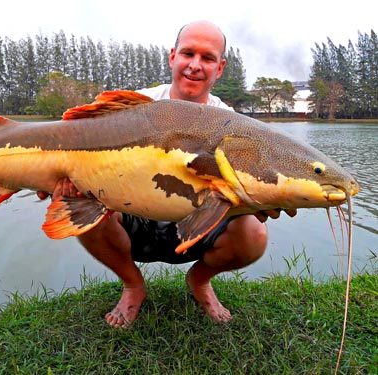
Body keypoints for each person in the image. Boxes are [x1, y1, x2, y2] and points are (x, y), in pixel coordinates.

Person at [39, 20, 296, 328]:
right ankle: (133, 285)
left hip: (198, 228)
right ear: (173, 56)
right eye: (188, 53)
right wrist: (60, 181)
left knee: (254, 232)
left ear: (220, 67)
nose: (196, 65)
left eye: (208, 58)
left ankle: (200, 281)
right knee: (81, 208)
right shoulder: (135, 107)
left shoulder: (233, 125)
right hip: (135, 223)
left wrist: (258, 202)